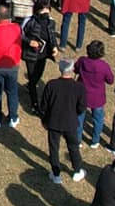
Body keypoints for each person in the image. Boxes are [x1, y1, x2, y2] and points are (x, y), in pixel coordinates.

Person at [37, 54, 87, 184]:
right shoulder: (79, 87)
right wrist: (74, 113)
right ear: (72, 69)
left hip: (53, 122)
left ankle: (56, 174)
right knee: (73, 147)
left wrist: (44, 120)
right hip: (70, 122)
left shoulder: (51, 85)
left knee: (54, 148)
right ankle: (77, 171)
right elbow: (82, 107)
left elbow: (44, 106)